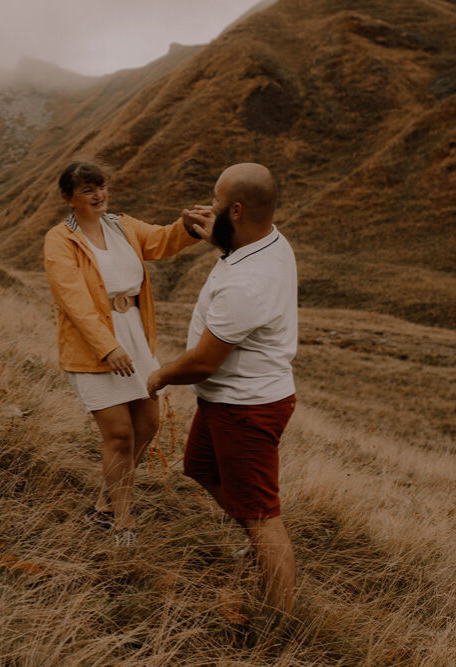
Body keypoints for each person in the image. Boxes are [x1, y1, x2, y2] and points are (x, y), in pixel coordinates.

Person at [146, 163, 298, 613]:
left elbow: (205, 363)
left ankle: (280, 619)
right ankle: (258, 546)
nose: (209, 207)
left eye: (216, 200)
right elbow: (239, 249)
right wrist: (220, 237)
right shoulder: (269, 239)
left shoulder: (248, 284)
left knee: (262, 517)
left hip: (246, 408)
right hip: (229, 402)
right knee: (200, 467)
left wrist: (159, 376)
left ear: (236, 208)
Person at [44, 159, 203, 548]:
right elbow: (73, 300)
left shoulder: (123, 226)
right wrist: (107, 347)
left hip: (134, 334)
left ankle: (105, 501)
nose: (99, 195)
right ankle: (124, 520)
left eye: (102, 186)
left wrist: (188, 226)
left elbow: (160, 241)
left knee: (147, 424)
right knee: (118, 434)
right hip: (93, 344)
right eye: (88, 190)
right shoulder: (60, 239)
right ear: (69, 198)